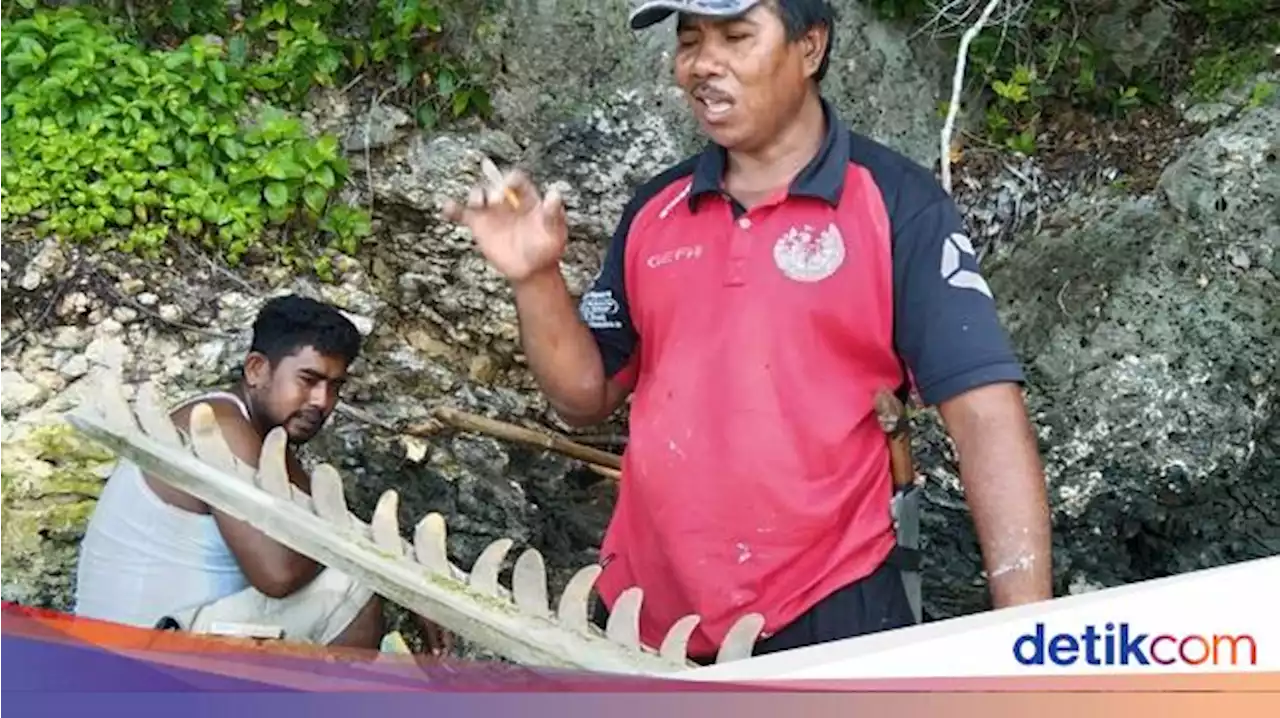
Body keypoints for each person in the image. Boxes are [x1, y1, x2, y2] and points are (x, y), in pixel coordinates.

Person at [442, 0, 1053, 663]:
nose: (703, 64)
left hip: (826, 612)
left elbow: (986, 416)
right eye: (689, 41)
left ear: (810, 48)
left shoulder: (896, 203)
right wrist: (535, 278)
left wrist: (1028, 636)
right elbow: (584, 397)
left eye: (736, 36)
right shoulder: (658, 208)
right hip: (642, 616)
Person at [73, 294, 451, 655]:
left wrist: (408, 581)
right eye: (308, 379)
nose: (322, 401)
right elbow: (278, 575)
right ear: (257, 369)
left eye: (334, 386)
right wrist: (384, 571)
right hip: (135, 655)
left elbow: (325, 527)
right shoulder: (218, 428)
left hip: (166, 638)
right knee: (349, 584)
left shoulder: (270, 444)